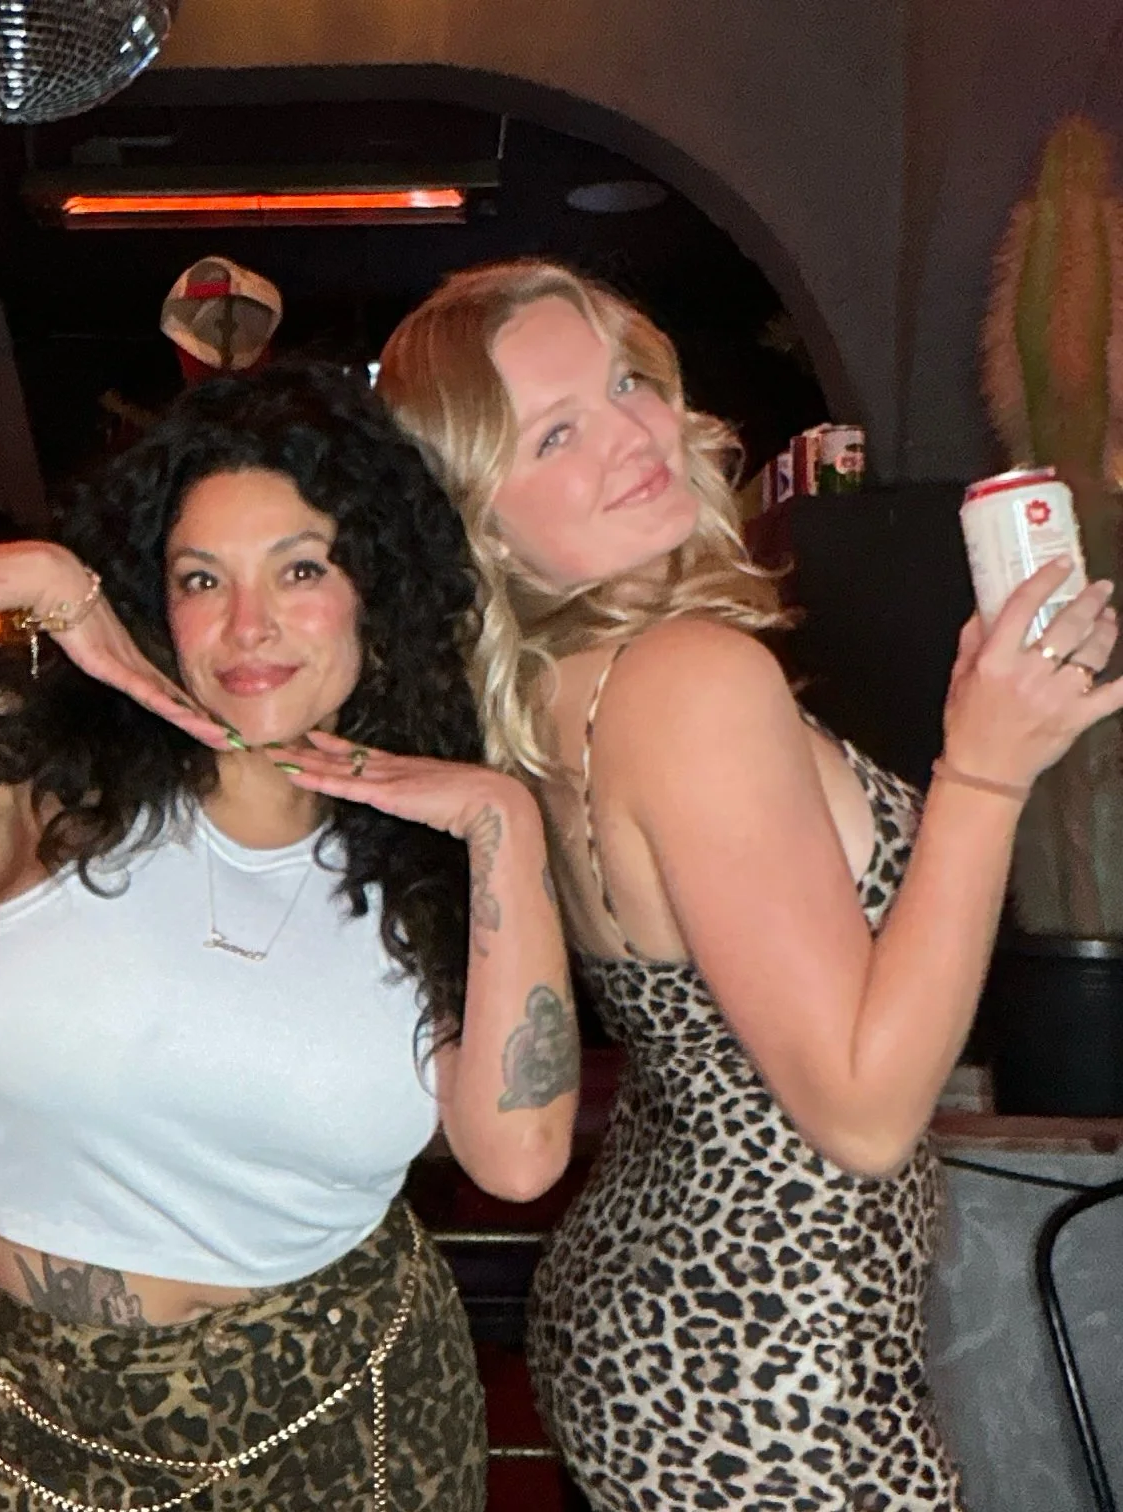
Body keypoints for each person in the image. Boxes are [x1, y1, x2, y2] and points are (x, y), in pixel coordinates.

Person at [0, 361, 580, 1511]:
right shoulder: (46, 792)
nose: (249, 625)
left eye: (300, 569)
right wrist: (42, 574)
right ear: (157, 600)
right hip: (34, 1424)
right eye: (202, 578)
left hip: (339, 1421)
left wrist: (503, 826)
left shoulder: (437, 862)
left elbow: (519, 1158)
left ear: (375, 595)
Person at [377, 260, 1123, 1511]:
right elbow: (865, 1111)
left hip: (669, 1317)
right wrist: (985, 774)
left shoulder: (570, 688)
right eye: (556, 432)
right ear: (477, 521)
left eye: (627, 383)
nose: (631, 434)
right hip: (773, 1366)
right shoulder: (688, 679)